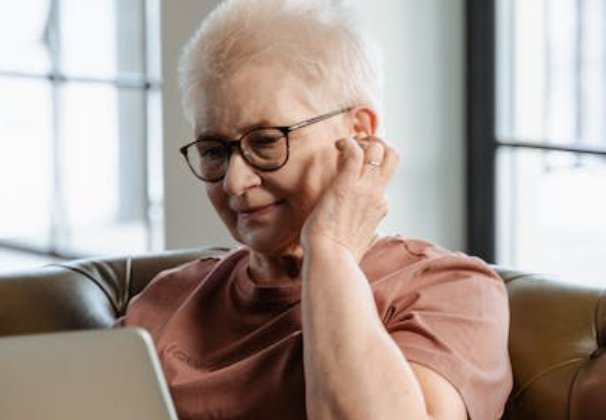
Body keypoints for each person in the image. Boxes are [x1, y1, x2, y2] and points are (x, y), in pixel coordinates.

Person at [119, 0, 513, 418]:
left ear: (358, 131)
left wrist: (330, 252)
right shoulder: (165, 303)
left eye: (266, 142)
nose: (235, 182)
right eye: (214, 151)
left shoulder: (449, 291)